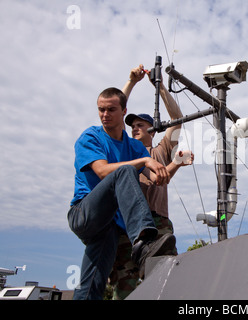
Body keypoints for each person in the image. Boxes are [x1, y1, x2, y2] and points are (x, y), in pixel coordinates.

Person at [68, 87, 180, 300]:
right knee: (125, 171)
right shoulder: (91, 136)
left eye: (110, 110)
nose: (104, 115)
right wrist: (145, 160)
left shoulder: (135, 147)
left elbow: (156, 179)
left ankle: (144, 244)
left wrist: (172, 166)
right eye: (101, 110)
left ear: (123, 110)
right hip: (85, 213)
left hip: (110, 226)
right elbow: (102, 171)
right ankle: (145, 242)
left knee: (93, 282)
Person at [108, 65, 192, 300]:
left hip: (158, 220)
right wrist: (130, 81)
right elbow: (114, 117)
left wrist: (161, 86)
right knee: (124, 284)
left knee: (166, 277)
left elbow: (177, 119)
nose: (134, 127)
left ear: (152, 130)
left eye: (140, 125)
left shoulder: (161, 150)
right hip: (128, 224)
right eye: (132, 125)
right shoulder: (124, 149)